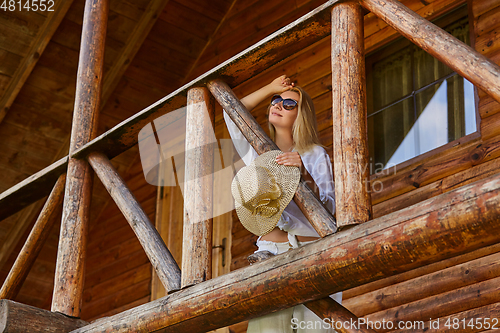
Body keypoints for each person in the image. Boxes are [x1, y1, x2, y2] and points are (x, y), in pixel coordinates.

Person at [223, 75, 341, 333]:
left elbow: (330, 208)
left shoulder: (314, 154)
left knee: (316, 329)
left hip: (310, 254)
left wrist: (305, 175)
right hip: (269, 255)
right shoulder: (257, 153)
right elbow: (230, 111)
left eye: (289, 104)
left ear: (301, 116)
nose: (278, 105)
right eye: (276, 101)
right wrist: (270, 88)